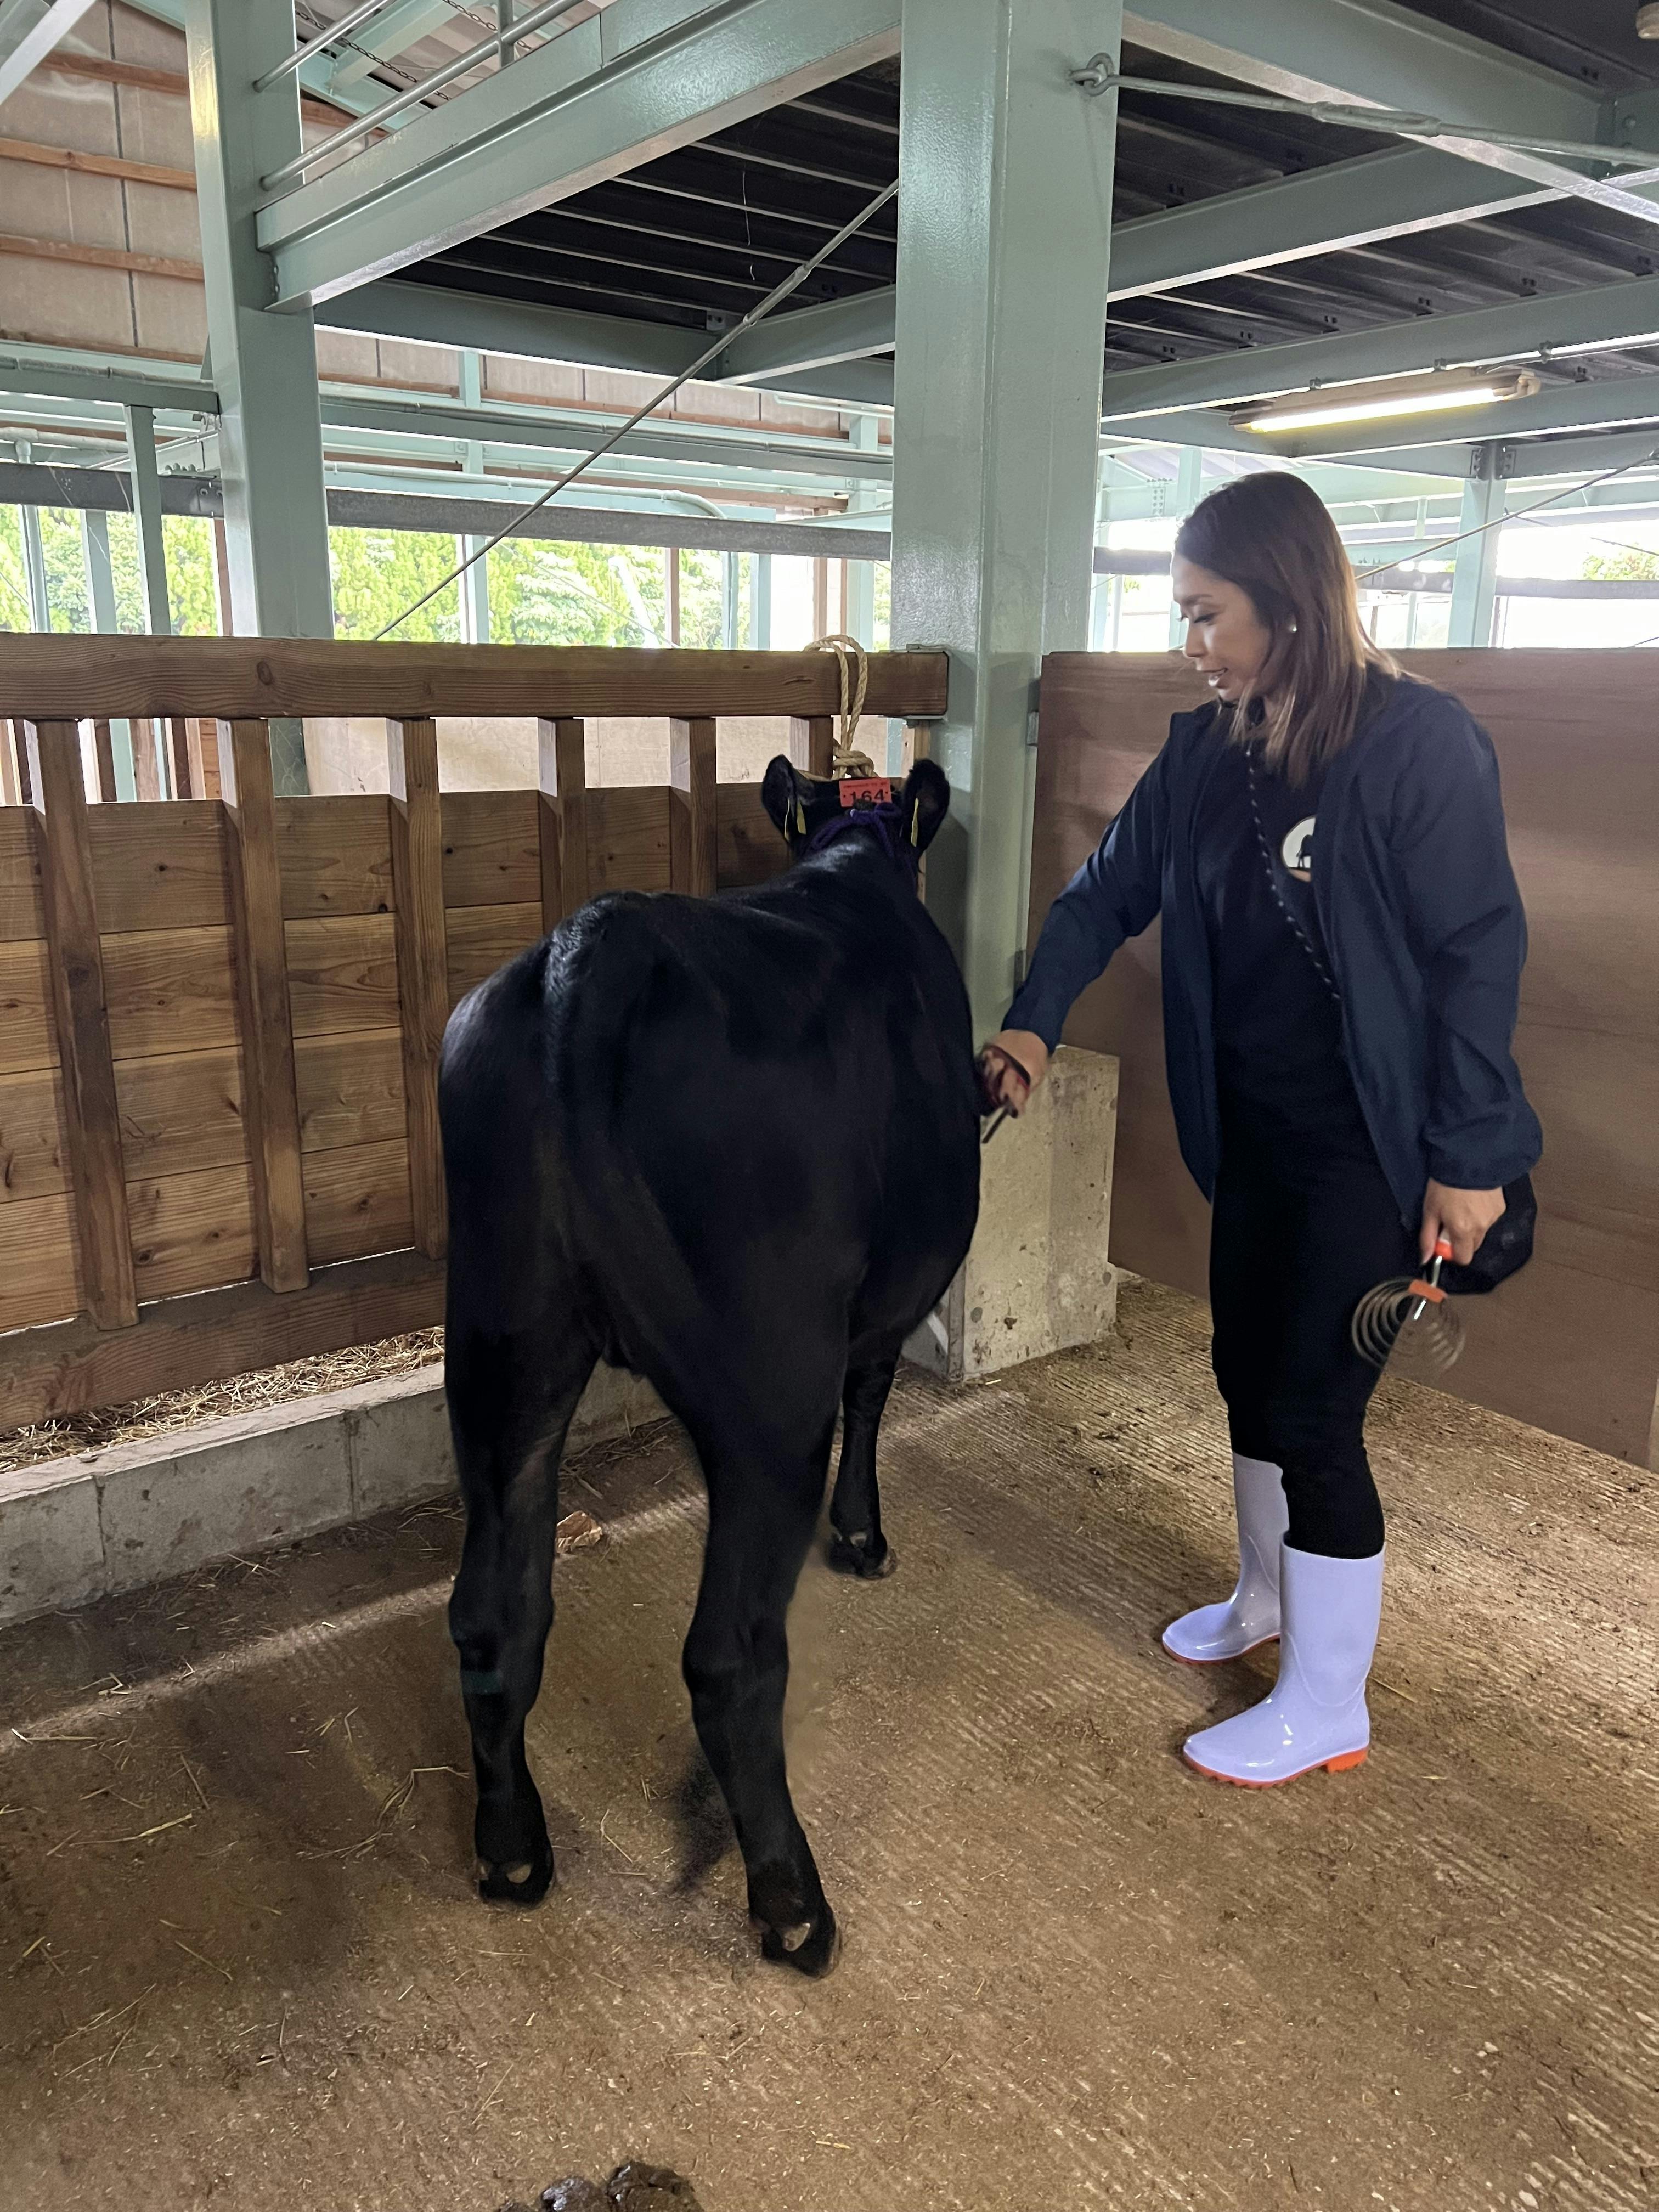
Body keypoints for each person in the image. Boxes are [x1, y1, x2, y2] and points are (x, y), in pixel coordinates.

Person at [980, 472, 1541, 1789]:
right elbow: (1101, 896)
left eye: (1206, 613)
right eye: (1183, 614)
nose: (1191, 642)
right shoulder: (1204, 754)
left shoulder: (1419, 744)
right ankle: (1266, 1597)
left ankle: (1327, 1703)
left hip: (1368, 1145)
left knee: (1313, 1405)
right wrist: (1033, 1022)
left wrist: (1470, 1158)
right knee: (1246, 1367)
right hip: (1253, 1131)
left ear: (1288, 605)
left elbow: (1478, 955)